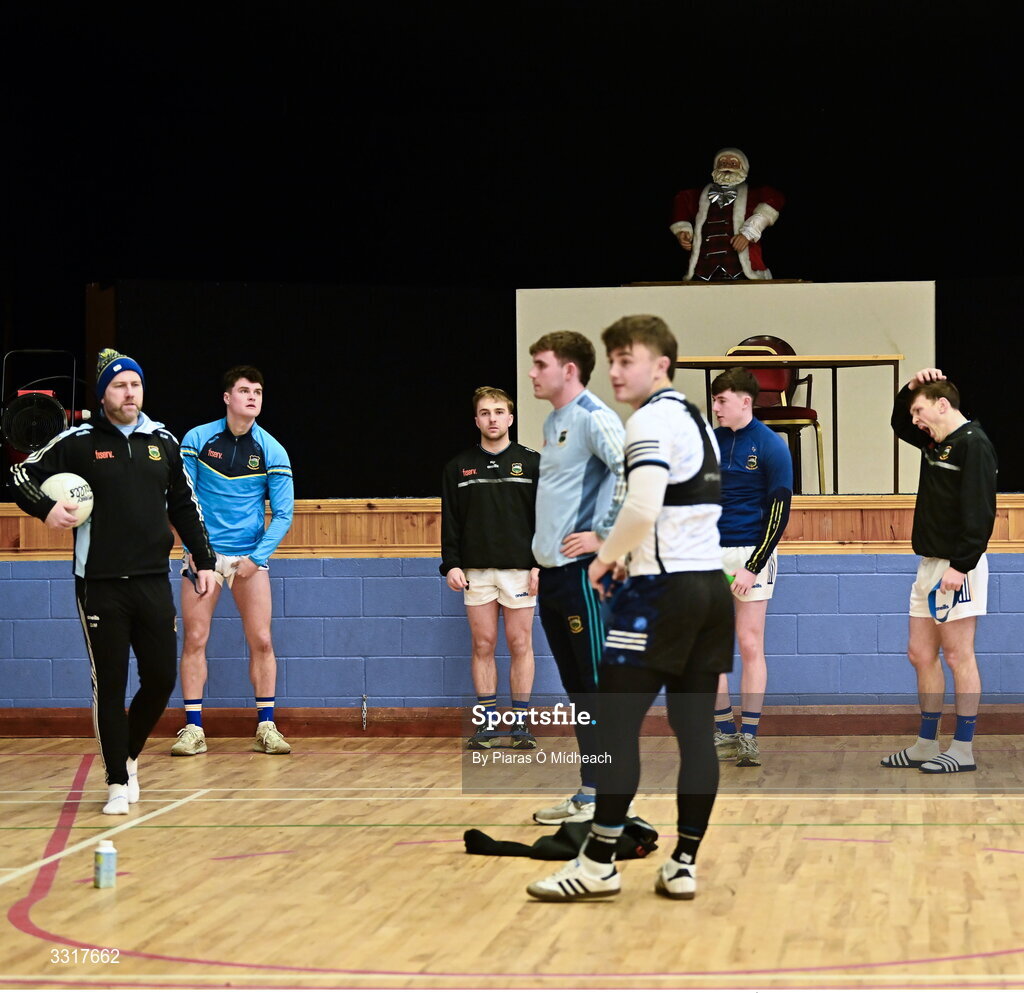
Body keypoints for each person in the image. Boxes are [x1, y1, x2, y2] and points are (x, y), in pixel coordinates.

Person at [527, 314, 733, 901]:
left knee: (612, 723)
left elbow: (641, 507)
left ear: (661, 365)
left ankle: (598, 865)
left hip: (661, 594)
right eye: (612, 360)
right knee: (695, 732)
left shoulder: (646, 420)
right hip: (709, 592)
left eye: (627, 360)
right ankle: (684, 861)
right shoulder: (698, 418)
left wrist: (605, 556)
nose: (616, 371)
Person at [9, 348, 217, 814]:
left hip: (152, 581)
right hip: (100, 584)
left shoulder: (162, 441)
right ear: (103, 395)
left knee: (161, 679)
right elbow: (18, 474)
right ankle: (117, 782)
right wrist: (45, 508)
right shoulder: (78, 441)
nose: (129, 393)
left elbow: (185, 505)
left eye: (135, 385)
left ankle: (127, 754)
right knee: (111, 683)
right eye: (120, 385)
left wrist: (204, 560)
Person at [528, 331, 625, 824]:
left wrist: (604, 536)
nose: (532, 373)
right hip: (553, 578)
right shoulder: (553, 421)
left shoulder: (594, 417)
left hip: (584, 576)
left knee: (596, 687)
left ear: (569, 370)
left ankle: (610, 797)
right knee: (579, 691)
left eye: (540, 364)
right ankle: (591, 791)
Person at [172, 365, 295, 756]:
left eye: (258, 391)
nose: (252, 397)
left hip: (248, 558)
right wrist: (196, 552)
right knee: (195, 639)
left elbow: (284, 514)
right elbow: (181, 501)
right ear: (227, 397)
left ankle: (266, 727)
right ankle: (193, 730)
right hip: (203, 557)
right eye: (244, 390)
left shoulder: (272, 450)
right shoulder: (196, 439)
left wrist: (257, 558)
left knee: (262, 639)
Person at [881, 368, 997, 774]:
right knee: (920, 654)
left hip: (957, 567)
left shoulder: (974, 444)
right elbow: (898, 424)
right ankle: (926, 744)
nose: (915, 420)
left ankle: (962, 748)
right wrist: (910, 389)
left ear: (943, 405)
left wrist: (961, 566)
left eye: (920, 411)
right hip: (929, 565)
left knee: (958, 655)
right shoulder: (936, 443)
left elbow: (981, 511)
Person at [440, 386, 541, 750]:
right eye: (485, 413)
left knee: (520, 643)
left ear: (510, 418)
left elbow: (546, 518)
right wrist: (451, 564)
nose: (492, 419)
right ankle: (486, 724)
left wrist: (540, 565)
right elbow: (451, 521)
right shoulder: (457, 467)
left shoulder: (533, 463)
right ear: (476, 420)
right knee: (483, 644)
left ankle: (520, 725)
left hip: (520, 571)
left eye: (499, 412)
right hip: (476, 573)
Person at [710, 368, 793, 767]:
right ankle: (724, 731)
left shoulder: (772, 446)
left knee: (749, 643)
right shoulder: (709, 442)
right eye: (714, 400)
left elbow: (779, 511)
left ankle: (750, 736)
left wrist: (753, 565)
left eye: (722, 400)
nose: (715, 407)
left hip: (751, 554)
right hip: (710, 555)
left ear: (745, 401)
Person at [670, 148, 785, 281]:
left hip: (740, 270)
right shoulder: (697, 195)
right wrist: (683, 231)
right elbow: (681, 204)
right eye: (723, 162)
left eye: (733, 163)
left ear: (743, 167)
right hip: (703, 269)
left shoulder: (754, 194)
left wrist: (749, 232)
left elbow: (774, 201)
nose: (727, 166)